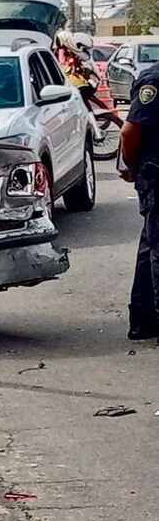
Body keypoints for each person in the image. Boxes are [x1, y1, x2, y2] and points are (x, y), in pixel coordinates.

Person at [119, 60, 159, 340]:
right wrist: (132, 167)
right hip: (156, 172)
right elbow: (130, 131)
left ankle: (143, 319)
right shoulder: (154, 80)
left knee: (151, 243)